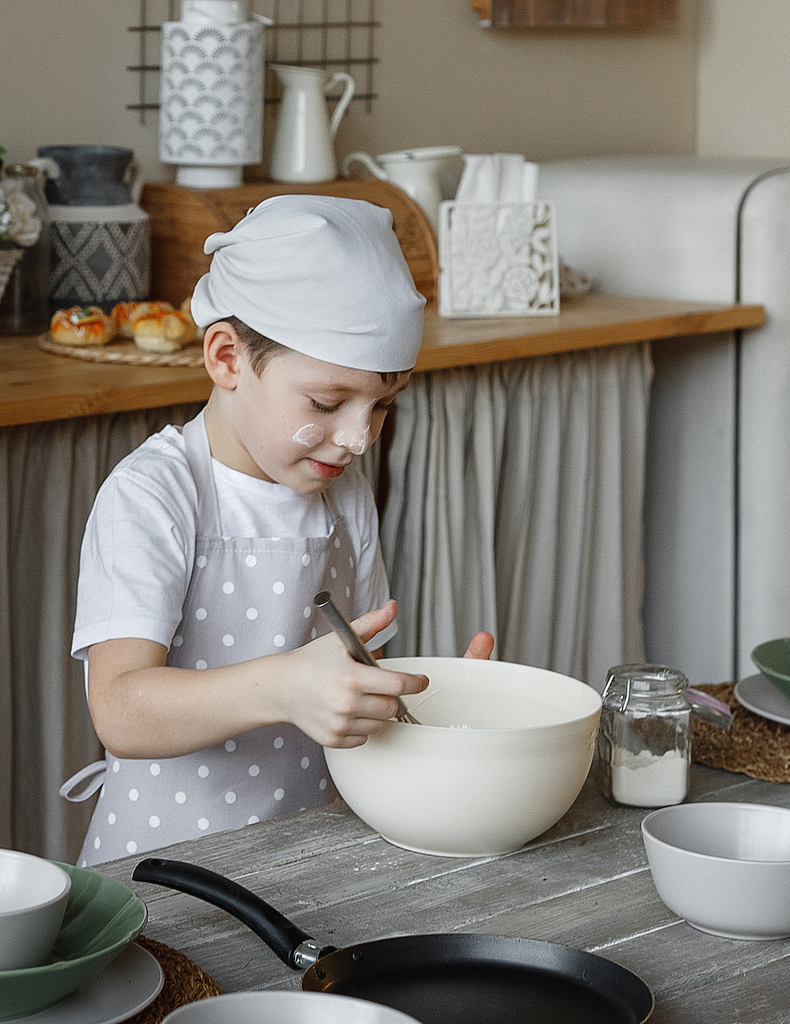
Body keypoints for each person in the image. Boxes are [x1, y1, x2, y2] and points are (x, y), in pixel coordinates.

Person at [65, 196, 493, 859]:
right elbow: (120, 707)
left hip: (308, 862)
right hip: (166, 876)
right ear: (227, 357)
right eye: (326, 402)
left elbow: (347, 675)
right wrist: (286, 687)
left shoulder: (343, 495)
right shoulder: (154, 495)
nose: (357, 436)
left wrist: (427, 705)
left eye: (382, 405)